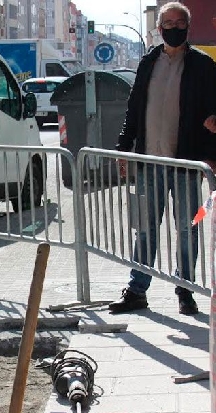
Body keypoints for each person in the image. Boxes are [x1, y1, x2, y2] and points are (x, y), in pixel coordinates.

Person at [109, 1, 216, 315]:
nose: (172, 27)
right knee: (145, 228)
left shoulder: (202, 65)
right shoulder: (148, 63)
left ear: (187, 26)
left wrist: (211, 154)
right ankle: (137, 290)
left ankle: (186, 290)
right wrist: (123, 149)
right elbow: (133, 111)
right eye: (166, 23)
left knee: (187, 228)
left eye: (178, 22)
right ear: (158, 28)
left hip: (185, 164)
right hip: (148, 164)